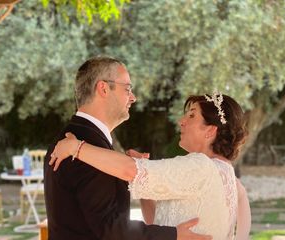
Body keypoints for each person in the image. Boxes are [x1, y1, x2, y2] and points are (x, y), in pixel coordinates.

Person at [44, 56, 212, 240]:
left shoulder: (77, 139)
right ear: (104, 88)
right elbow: (111, 229)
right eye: (127, 88)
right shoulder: (84, 144)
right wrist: (174, 235)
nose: (133, 97)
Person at [49, 93, 252, 240]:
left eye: (191, 116)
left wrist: (76, 148)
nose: (181, 121)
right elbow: (157, 221)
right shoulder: (224, 173)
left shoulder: (201, 167)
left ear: (210, 131)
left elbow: (130, 170)